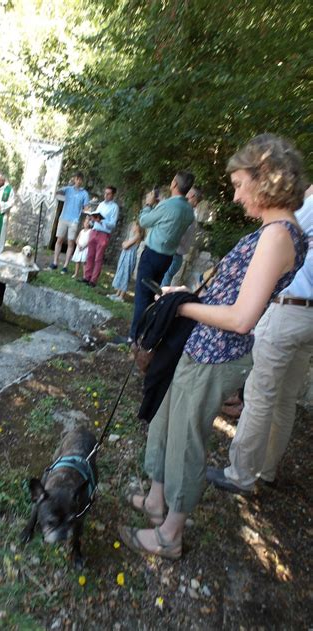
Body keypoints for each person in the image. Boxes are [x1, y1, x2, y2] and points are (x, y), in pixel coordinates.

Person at [118, 134, 307, 560]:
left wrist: (183, 307)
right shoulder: (273, 231)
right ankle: (155, 499)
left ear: (266, 180)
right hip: (202, 345)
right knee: (166, 420)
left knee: (187, 437)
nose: (236, 195)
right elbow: (232, 295)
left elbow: (242, 317)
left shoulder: (279, 236)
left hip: (217, 353)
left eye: (240, 184)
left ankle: (170, 534)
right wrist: (191, 294)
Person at [207, 188, 313, 493]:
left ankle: (240, 475)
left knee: (260, 395)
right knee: (286, 398)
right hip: (308, 318)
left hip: (288, 310)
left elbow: (279, 226)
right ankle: (267, 470)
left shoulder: (306, 206)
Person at [128, 172, 195, 342]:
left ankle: (134, 338)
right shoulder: (189, 211)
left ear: (174, 184)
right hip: (167, 258)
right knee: (152, 296)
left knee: (142, 296)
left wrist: (149, 205)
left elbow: (144, 221)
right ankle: (146, 333)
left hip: (152, 255)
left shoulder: (167, 205)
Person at [161, 187, 202, 287]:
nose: (184, 195)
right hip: (175, 256)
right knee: (163, 281)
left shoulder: (187, 215)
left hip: (173, 255)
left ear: (192, 196)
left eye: (187, 193)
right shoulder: (190, 216)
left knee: (163, 284)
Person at [50, 172, 90, 273]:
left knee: (70, 242)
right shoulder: (68, 189)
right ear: (74, 179)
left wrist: (88, 212)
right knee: (59, 240)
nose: (78, 181)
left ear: (82, 181)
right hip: (63, 218)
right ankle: (55, 262)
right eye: (77, 179)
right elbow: (55, 191)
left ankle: (65, 266)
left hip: (74, 221)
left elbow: (86, 207)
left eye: (80, 179)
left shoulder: (84, 193)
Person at [81, 185, 119, 287]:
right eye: (105, 193)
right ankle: (86, 277)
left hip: (104, 233)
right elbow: (96, 215)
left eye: (108, 194)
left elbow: (113, 224)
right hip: (94, 231)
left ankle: (93, 280)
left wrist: (102, 220)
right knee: (90, 255)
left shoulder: (115, 207)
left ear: (113, 195)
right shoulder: (101, 204)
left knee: (98, 258)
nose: (105, 195)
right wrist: (93, 219)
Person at [107, 219, 144, 301]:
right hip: (125, 255)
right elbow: (124, 243)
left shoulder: (137, 236)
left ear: (138, 227)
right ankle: (117, 293)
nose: (132, 227)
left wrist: (125, 243)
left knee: (126, 274)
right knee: (121, 272)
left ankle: (121, 296)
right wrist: (125, 243)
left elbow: (125, 245)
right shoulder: (132, 235)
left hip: (130, 256)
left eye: (134, 225)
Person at [71, 213, 92, 279]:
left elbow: (89, 241)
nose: (86, 224)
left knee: (84, 262)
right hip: (79, 247)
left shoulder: (90, 231)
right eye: (85, 223)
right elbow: (77, 239)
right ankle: (76, 273)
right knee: (77, 261)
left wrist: (84, 246)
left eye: (87, 223)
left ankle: (84, 275)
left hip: (85, 248)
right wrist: (78, 245)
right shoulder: (82, 231)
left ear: (90, 224)